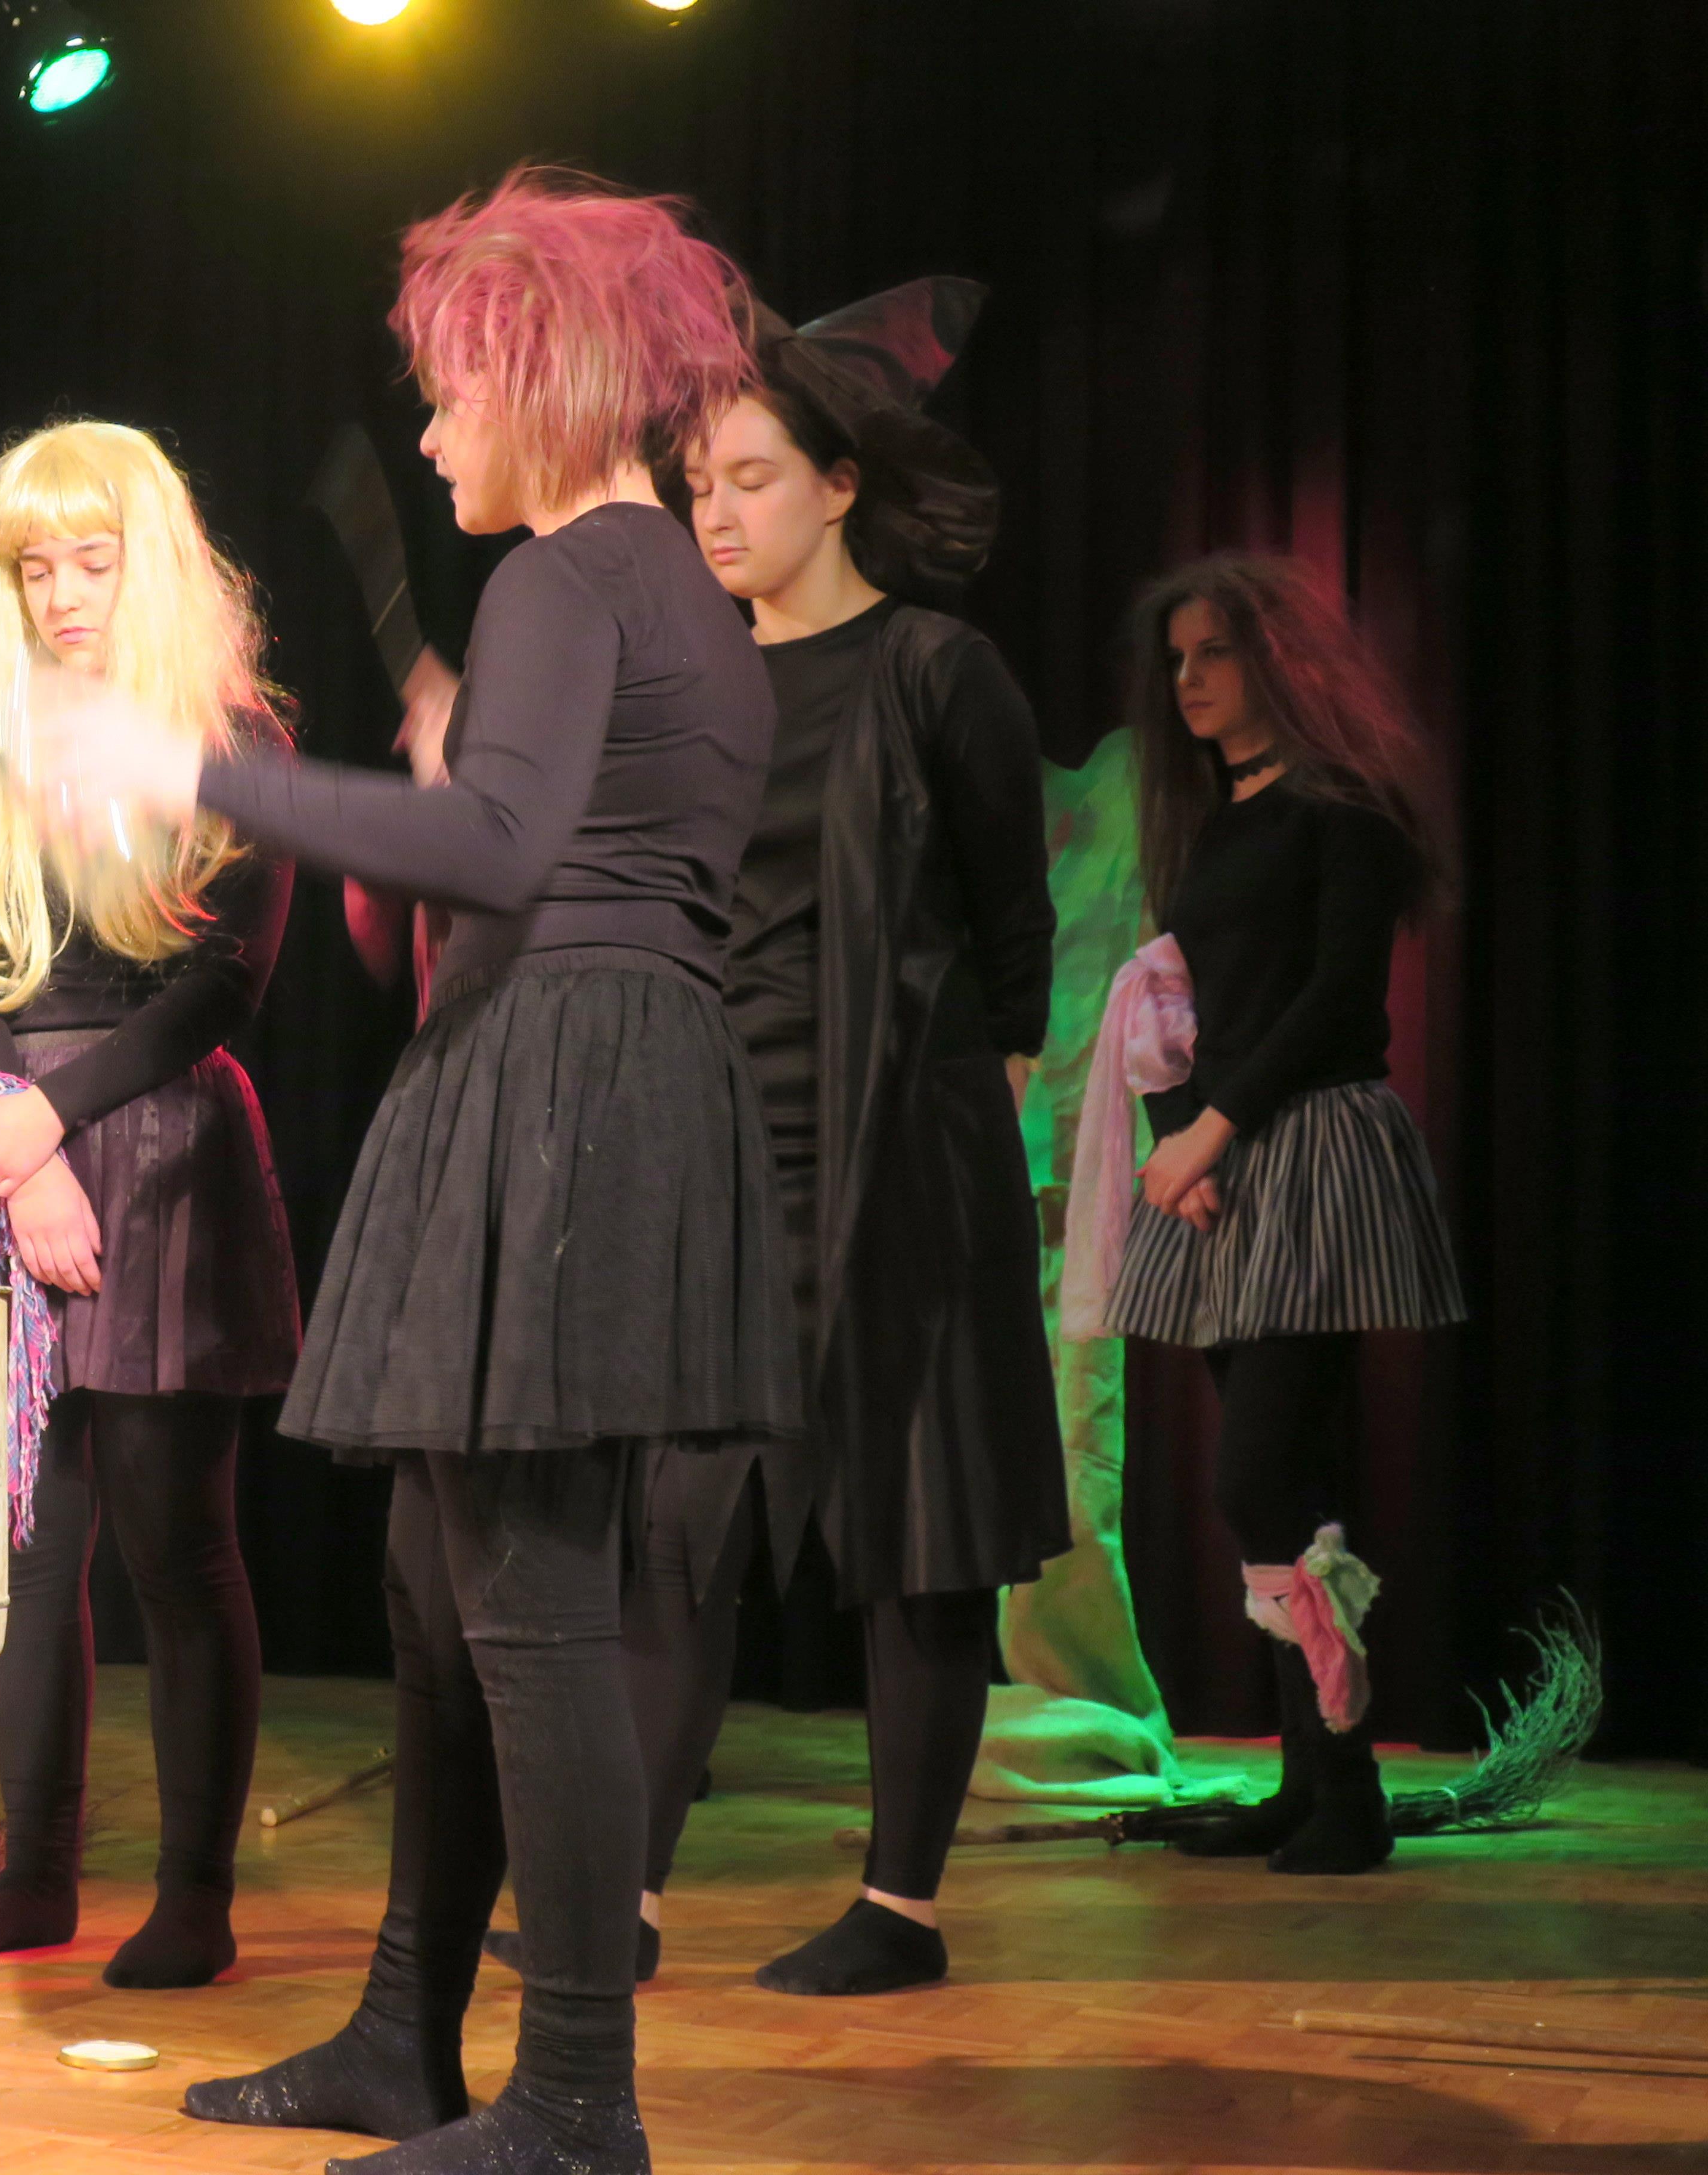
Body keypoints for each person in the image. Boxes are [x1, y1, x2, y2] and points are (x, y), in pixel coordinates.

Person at [43, 171, 794, 2175]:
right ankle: (405, 2033)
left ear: (540, 384)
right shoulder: (685, 600)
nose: (439, 436)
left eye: (455, 396)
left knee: (524, 1607)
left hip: (558, 1091)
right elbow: (547, 847)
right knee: (441, 1591)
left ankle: (575, 2104)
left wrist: (190, 765)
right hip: (621, 1076)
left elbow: (505, 854)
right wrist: (448, 793)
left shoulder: (563, 579)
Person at [602, 287, 1072, 1999]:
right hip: (717, 1162)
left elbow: (1012, 932)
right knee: (679, 1526)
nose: (718, 514)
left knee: (919, 1521)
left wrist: (967, 1109)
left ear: (840, 485)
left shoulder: (935, 669)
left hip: (900, 1157)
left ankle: (902, 1909)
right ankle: (623, 1898)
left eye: (750, 479)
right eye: (698, 488)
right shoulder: (686, 689)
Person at [0, 419, 302, 1990]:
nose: (61, 594)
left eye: (91, 561)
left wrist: (61, 1117)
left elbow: (225, 982)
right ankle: (39, 1875)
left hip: (161, 1147)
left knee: (176, 1546)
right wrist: (19, 1134)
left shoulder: (231, 739)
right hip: (4, 1151)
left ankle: (195, 1895)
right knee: (27, 1548)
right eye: (33, 567)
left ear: (154, 565)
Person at [1102, 555, 1462, 1875]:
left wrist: (1214, 1128)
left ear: (1276, 662)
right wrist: (1178, 1137)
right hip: (1230, 1163)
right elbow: (1175, 999)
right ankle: (1311, 1782)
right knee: (1284, 1492)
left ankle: (1350, 1788)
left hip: (1312, 1147)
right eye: (1177, 659)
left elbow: (1333, 1000)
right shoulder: (1216, 820)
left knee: (1259, 1472)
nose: (1189, 680)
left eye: (1215, 653)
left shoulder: (1342, 812)